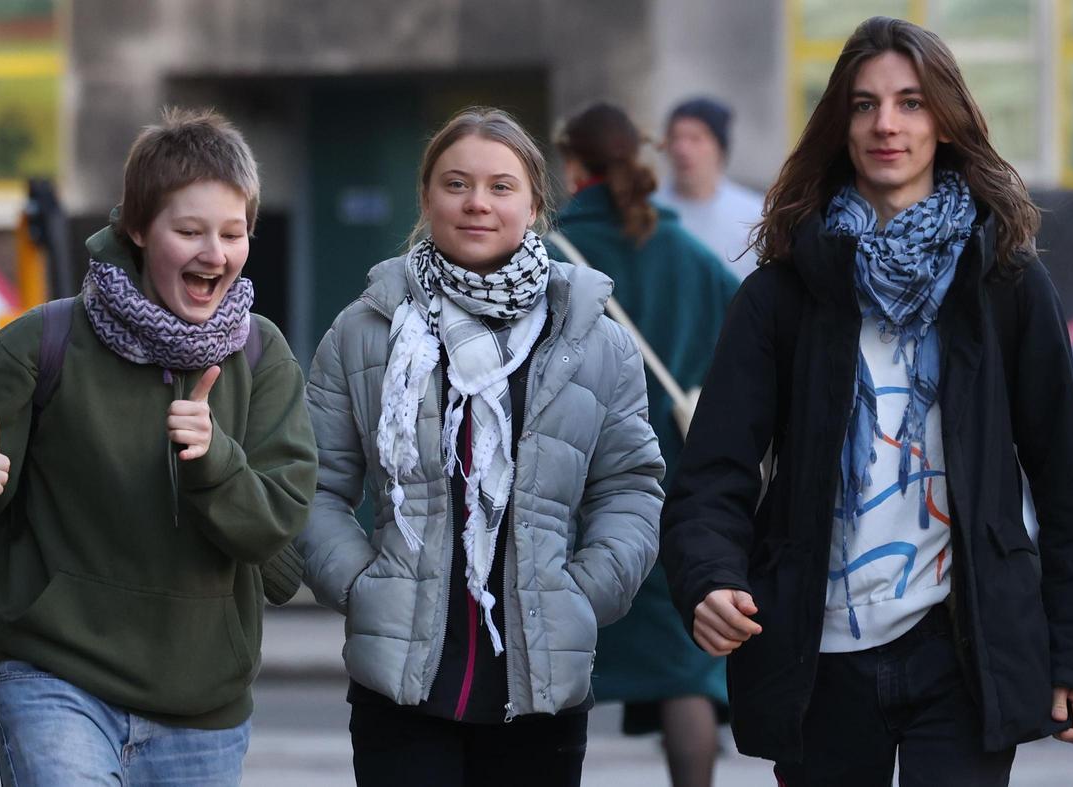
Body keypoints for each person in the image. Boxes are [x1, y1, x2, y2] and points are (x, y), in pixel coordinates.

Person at [660, 16, 1073, 787]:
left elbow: (1064, 478)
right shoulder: (782, 293)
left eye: (910, 102)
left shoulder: (1005, 283)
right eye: (865, 104)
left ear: (945, 117)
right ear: (842, 124)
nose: (886, 124)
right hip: (818, 652)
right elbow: (714, 472)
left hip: (962, 647)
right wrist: (708, 577)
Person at [0, 108, 319, 785]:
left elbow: (279, 533)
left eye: (232, 232)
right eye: (189, 231)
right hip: (55, 679)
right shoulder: (39, 342)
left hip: (203, 707)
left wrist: (215, 460)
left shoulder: (263, 355)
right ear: (136, 227)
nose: (214, 253)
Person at [295, 106, 664, 787]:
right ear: (428, 197)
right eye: (456, 183)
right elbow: (312, 483)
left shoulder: (593, 339)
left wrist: (585, 591)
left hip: (542, 684)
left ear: (534, 205)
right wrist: (359, 584)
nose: (476, 203)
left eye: (500, 186)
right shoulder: (366, 330)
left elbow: (630, 485)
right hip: (400, 686)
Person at [551, 101, 739, 787]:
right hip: (675, 490)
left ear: (573, 167)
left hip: (565, 492)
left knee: (544, 654)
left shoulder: (545, 256)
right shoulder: (693, 258)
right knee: (684, 667)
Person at [655, 97, 763, 282]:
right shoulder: (648, 210)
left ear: (719, 147)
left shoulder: (754, 215)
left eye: (695, 139)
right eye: (675, 138)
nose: (682, 149)